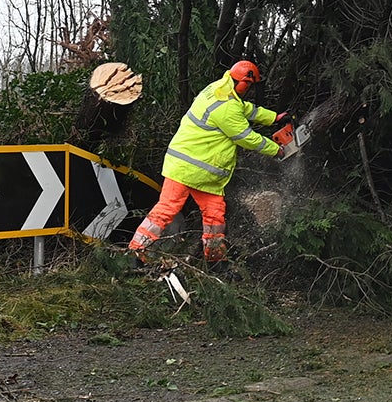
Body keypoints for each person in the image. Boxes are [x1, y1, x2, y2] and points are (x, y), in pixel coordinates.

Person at [129, 60, 303, 264]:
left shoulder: (220, 90)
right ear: (243, 84)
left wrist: (274, 118)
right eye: (249, 86)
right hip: (185, 168)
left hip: (204, 175)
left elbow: (248, 110)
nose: (249, 91)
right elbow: (246, 137)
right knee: (166, 209)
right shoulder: (226, 108)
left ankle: (215, 261)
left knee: (215, 217)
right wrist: (277, 150)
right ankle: (135, 253)